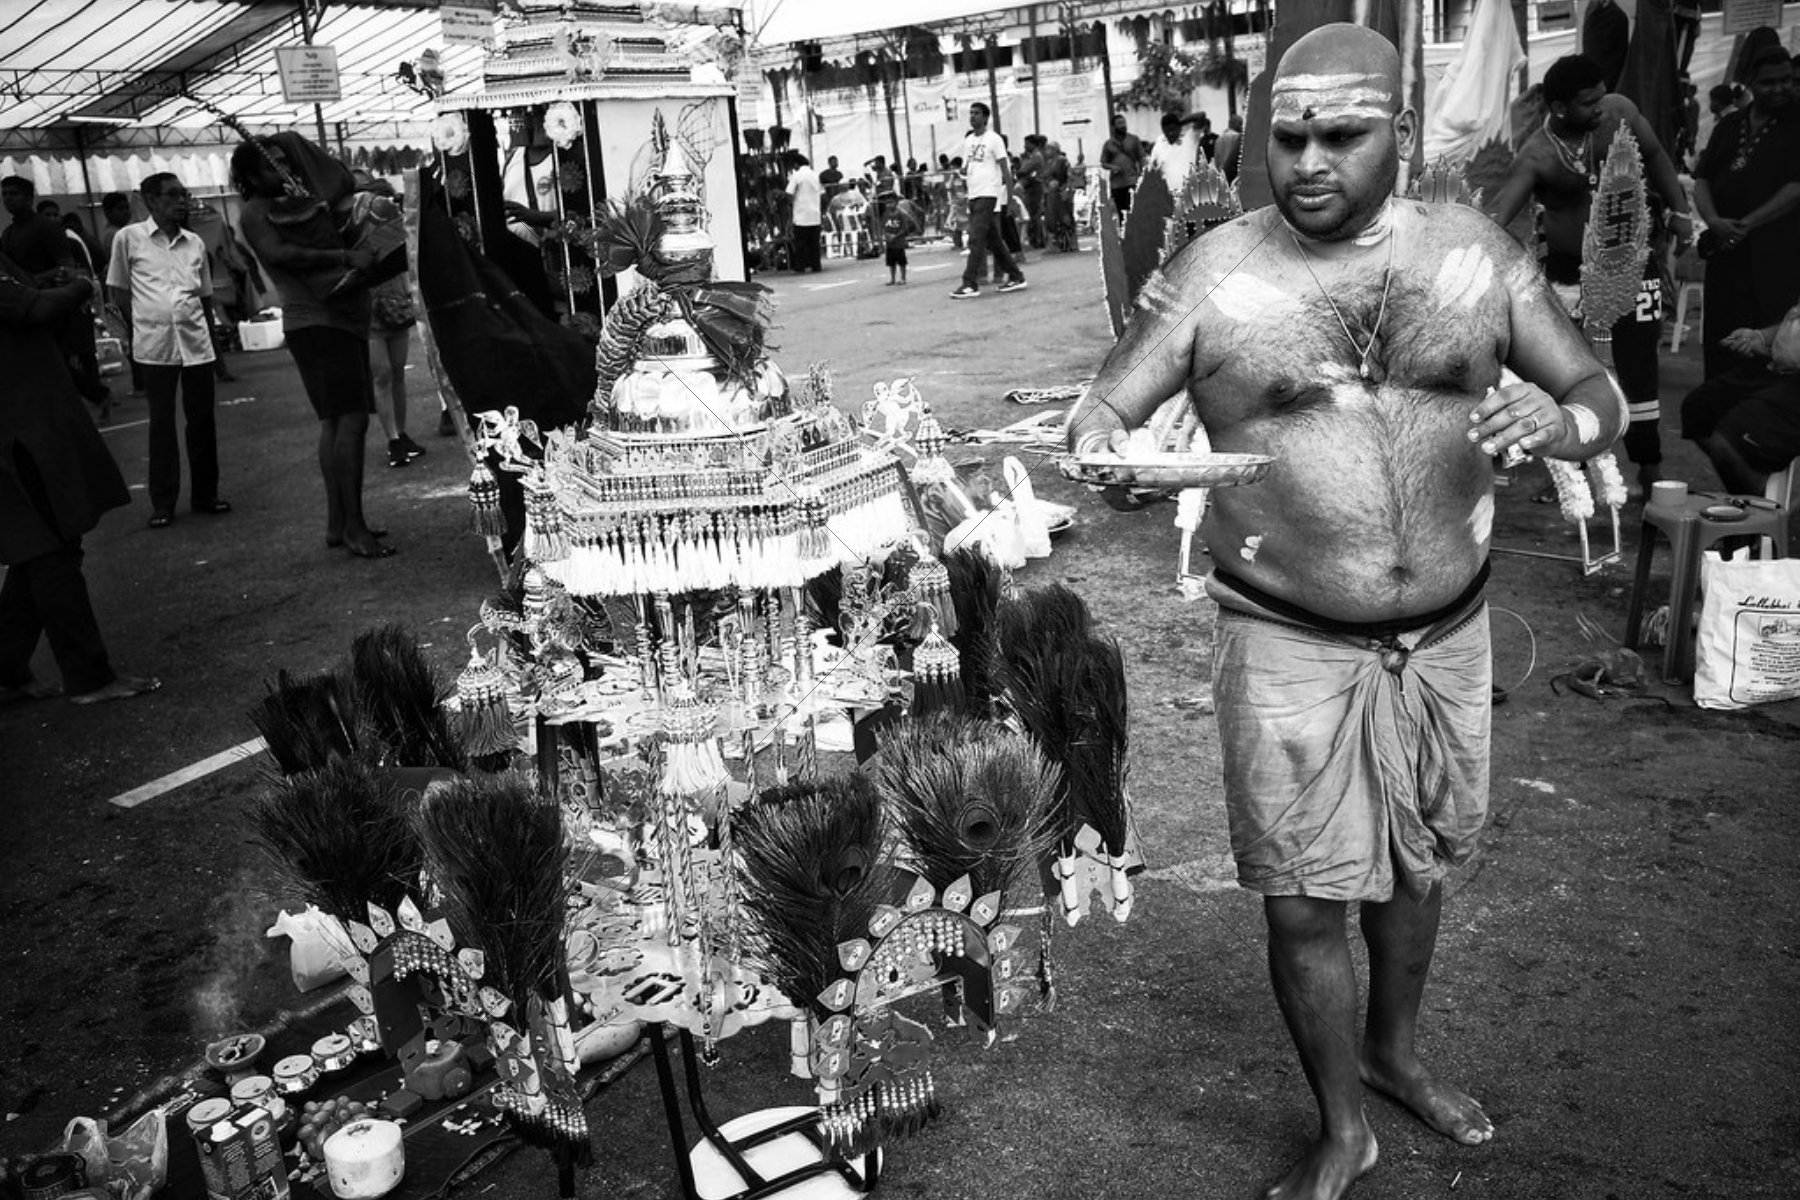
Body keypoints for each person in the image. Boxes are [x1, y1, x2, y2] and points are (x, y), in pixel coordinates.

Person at [1068, 24, 1624, 1200]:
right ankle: (1342, 1125)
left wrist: (1563, 425)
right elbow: (1099, 410)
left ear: (1402, 134)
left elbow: (1594, 387)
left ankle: (1394, 1053)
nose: (1309, 160)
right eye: (1289, 136)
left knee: (1422, 868)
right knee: (1303, 896)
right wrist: (1108, 451)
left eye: (1340, 134)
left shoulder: (1472, 254)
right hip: (1287, 636)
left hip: (1448, 631)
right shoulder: (1217, 272)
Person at [1488, 53, 1695, 493]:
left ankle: (1649, 465)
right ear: (1560, 108)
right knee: (1573, 371)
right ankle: (1574, 469)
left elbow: (1656, 156)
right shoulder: (1537, 155)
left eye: (1601, 97)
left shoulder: (1619, 114)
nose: (1600, 108)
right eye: (1589, 103)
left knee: (1640, 366)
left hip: (1633, 264)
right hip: (1570, 279)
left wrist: (1680, 210)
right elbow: (1499, 215)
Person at [0, 249, 159, 705]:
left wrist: (46, 276)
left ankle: (6, 667)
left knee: (38, 549)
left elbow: (25, 294)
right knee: (54, 549)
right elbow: (35, 306)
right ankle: (89, 677)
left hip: (28, 421)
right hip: (20, 433)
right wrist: (83, 287)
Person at [233, 134, 392, 560]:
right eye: (272, 166)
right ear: (250, 175)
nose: (283, 171)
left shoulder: (295, 200)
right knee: (351, 422)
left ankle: (339, 523)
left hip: (339, 319)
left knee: (335, 423)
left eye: (287, 163)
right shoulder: (254, 210)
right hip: (316, 322)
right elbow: (280, 252)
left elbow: (336, 183)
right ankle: (355, 527)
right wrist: (343, 258)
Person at [106, 173, 229, 529]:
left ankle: (206, 495)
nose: (182, 201)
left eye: (184, 194)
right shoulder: (128, 239)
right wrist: (138, 330)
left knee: (202, 422)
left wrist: (217, 354)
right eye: (173, 195)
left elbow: (205, 299)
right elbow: (119, 292)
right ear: (149, 200)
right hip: (154, 347)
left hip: (196, 345)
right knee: (161, 425)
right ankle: (163, 502)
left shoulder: (194, 243)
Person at [1693, 45, 1800, 381]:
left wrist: (1746, 225)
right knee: (1723, 344)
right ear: (1750, 81)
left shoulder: (1797, 123)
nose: (1780, 88)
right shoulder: (1729, 125)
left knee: (1765, 349)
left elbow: (1796, 187)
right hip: (1727, 258)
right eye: (1769, 82)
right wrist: (1714, 222)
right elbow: (1703, 180)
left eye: (1786, 80)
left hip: (1776, 259)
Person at [1681, 303, 1800, 494]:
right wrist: (1762, 337)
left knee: (1727, 443)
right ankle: (1753, 494)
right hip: (1776, 367)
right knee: (1698, 409)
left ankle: (1766, 507)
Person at [950, 102, 1026, 300]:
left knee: (976, 238)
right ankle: (1016, 276)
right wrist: (964, 174)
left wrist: (1009, 198)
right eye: (971, 113)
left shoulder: (994, 139)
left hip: (989, 193)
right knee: (993, 240)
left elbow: (1005, 169)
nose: (973, 117)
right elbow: (967, 167)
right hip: (974, 194)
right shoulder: (968, 141)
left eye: (977, 113)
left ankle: (970, 283)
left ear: (985, 118)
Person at [785, 152, 824, 274]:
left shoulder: (796, 176)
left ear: (796, 164)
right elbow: (822, 192)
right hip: (815, 215)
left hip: (801, 215)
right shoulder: (815, 175)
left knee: (800, 243)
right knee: (814, 244)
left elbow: (789, 193)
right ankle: (816, 265)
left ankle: (800, 266)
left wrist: (790, 204)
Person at [1100, 112, 1145, 216]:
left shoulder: (1134, 139)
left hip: (1132, 181)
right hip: (1117, 184)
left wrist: (1142, 175)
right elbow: (1103, 162)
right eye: (1120, 123)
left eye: (1124, 123)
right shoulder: (1108, 144)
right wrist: (1112, 167)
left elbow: (1141, 158)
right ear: (1113, 126)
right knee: (1121, 212)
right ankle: (1124, 231)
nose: (1123, 125)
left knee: (1133, 210)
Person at [1147, 111, 1195, 194]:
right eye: (1167, 131)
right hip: (1167, 195)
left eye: (1173, 129)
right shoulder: (1159, 145)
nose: (1170, 133)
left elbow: (1201, 116)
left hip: (1190, 193)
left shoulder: (1190, 138)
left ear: (1180, 128)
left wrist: (1181, 122)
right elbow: (1152, 169)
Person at [882, 201, 909, 286]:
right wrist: (886, 235)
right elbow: (883, 227)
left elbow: (904, 229)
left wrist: (895, 236)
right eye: (888, 203)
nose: (889, 205)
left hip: (899, 242)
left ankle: (903, 278)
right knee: (891, 262)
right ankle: (892, 279)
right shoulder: (886, 215)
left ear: (896, 204)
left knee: (901, 261)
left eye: (891, 203)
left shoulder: (901, 214)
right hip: (889, 243)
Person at [1215, 112, 1246, 183]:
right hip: (1232, 176)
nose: (1241, 126)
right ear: (1231, 124)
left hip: (1221, 173)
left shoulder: (1219, 138)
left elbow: (1217, 158)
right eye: (1240, 124)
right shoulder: (1237, 137)